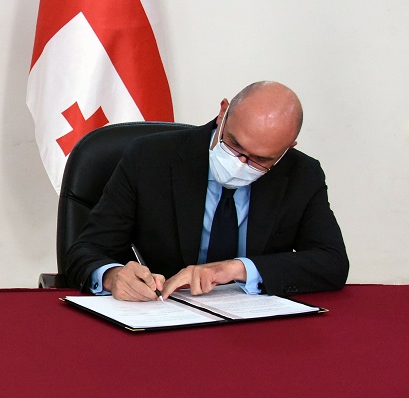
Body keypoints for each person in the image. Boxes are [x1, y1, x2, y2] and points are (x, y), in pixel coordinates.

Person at [62, 81, 348, 301]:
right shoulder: (150, 159)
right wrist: (112, 276)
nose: (240, 164)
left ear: (287, 149)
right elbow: (85, 251)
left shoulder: (301, 174)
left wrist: (236, 269)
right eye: (234, 145)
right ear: (223, 113)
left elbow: (331, 262)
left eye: (260, 160)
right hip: (166, 317)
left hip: (254, 328)